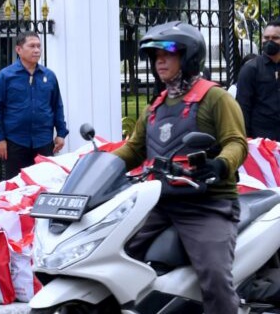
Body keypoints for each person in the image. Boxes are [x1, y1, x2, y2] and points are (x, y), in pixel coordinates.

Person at [112, 21, 248, 314]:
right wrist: (94, 165)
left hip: (207, 204)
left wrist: (220, 164)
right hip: (159, 203)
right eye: (155, 56)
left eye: (168, 54)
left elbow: (237, 142)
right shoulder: (156, 107)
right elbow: (132, 150)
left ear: (187, 57)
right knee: (111, 256)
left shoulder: (216, 98)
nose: (159, 61)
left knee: (215, 278)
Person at [0, 31, 69, 180]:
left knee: (44, 185)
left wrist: (61, 134)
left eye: (39, 46)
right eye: (32, 46)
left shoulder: (49, 76)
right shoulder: (6, 76)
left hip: (43, 141)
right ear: (18, 49)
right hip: (15, 143)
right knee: (16, 188)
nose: (37, 50)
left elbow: (57, 105)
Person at [236, 18, 280, 140]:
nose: (269, 41)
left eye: (275, 38)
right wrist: (246, 137)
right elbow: (242, 106)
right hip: (261, 140)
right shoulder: (250, 69)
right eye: (266, 38)